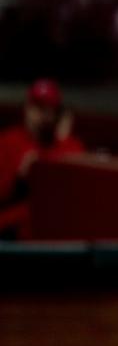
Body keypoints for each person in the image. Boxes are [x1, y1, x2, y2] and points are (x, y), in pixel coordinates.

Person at [0, 79, 84, 237]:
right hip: (11, 229)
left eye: (48, 109)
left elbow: (76, 190)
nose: (41, 114)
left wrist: (60, 142)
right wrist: (19, 178)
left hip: (54, 227)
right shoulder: (6, 141)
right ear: (27, 108)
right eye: (37, 107)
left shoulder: (68, 145)